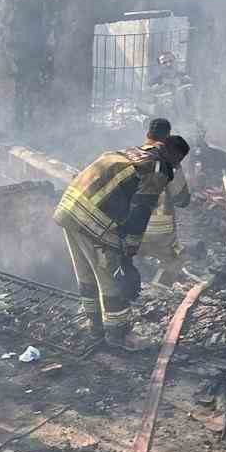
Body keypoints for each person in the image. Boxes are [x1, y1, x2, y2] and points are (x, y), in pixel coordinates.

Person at [55, 132, 190, 350]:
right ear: (173, 157)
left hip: (70, 209)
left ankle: (95, 326)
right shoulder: (158, 168)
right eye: (176, 163)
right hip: (94, 221)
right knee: (111, 275)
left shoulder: (132, 152)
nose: (174, 169)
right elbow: (142, 209)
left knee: (87, 273)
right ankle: (119, 335)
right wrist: (129, 249)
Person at [137, 119, 190, 287]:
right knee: (177, 257)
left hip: (133, 230)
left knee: (132, 256)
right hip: (161, 234)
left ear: (147, 134)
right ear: (167, 137)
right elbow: (182, 200)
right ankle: (158, 289)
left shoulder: (132, 156)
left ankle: (135, 284)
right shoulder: (170, 163)